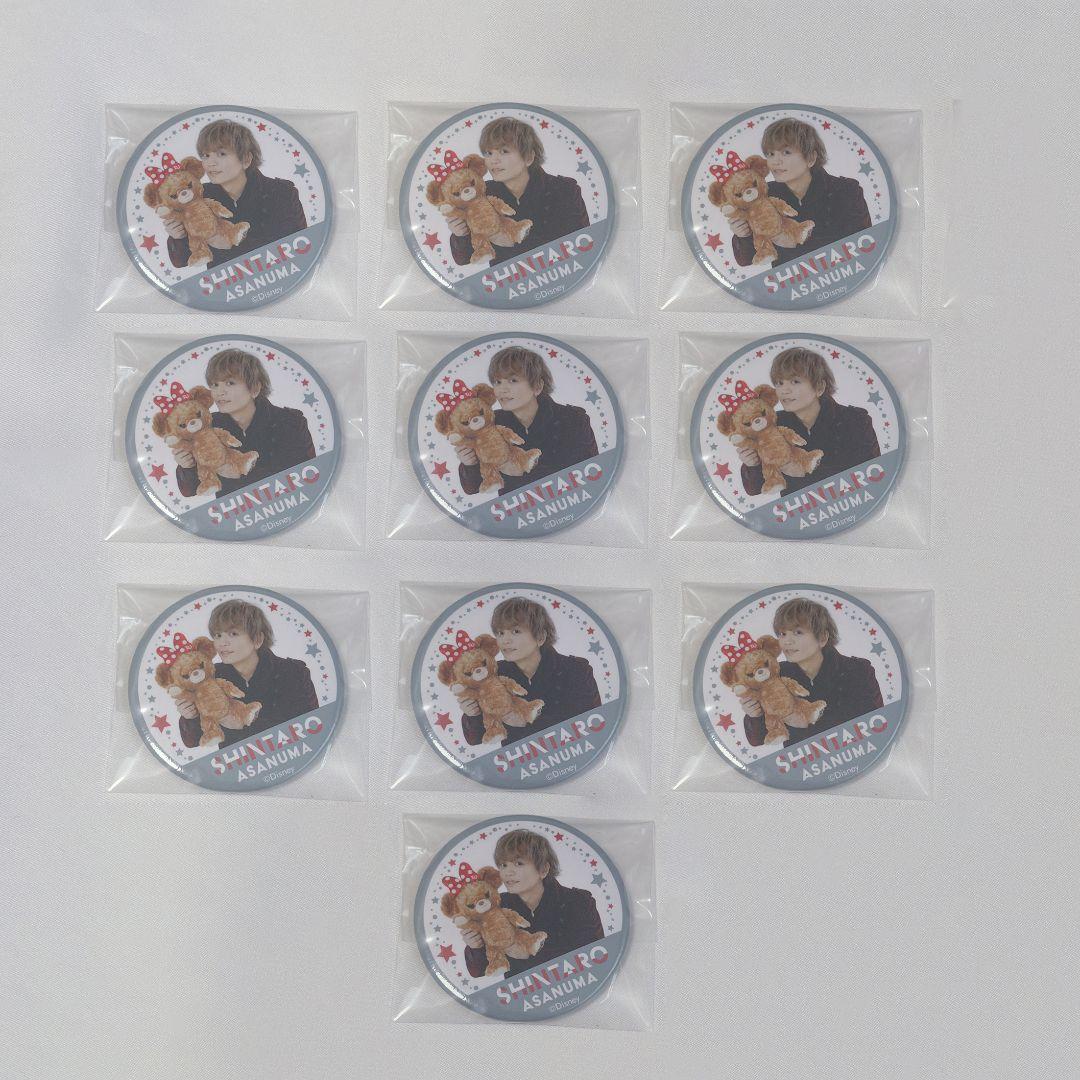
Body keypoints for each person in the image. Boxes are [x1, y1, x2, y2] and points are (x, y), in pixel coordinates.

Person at [452, 597, 601, 746]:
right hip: (518, 760)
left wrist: (527, 723)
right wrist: (472, 715)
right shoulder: (492, 674)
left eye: (515, 631)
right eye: (500, 633)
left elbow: (592, 723)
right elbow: (476, 739)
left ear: (540, 637)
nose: (505, 640)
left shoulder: (576, 669)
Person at [168, 348, 315, 498]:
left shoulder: (290, 422)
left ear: (255, 388)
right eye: (214, 384)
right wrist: (187, 466)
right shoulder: (206, 426)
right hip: (234, 512)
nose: (219, 392)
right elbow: (190, 491)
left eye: (230, 383)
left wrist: (237, 473)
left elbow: (310, 475)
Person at [451, 346, 598, 497]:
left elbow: (593, 473)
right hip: (515, 511)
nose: (502, 389)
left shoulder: (573, 419)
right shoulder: (489, 424)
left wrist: (519, 470)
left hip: (567, 503)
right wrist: (470, 464)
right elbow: (472, 488)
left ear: (537, 386)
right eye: (497, 382)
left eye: (513, 380)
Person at [442, 116, 589, 266]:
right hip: (507, 280)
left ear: (529, 157)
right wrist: (460, 235)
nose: (493, 160)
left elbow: (583, 244)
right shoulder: (481, 194)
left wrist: (510, 241)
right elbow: (464, 259)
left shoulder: (564, 189)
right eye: (488, 153)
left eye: (504, 151)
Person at [458, 830, 604, 979]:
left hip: (573, 986)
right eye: (503, 865)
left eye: (518, 863)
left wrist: (527, 952)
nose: (508, 872)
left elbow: (596, 955)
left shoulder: (578, 902)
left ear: (543, 869)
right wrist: (475, 947)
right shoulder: (495, 906)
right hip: (522, 993)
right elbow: (479, 971)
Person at [736, 346, 880, 498]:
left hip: (851, 504)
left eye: (795, 381)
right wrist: (752, 465)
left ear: (819, 387)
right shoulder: (771, 425)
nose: (784, 390)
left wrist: (805, 470)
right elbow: (754, 489)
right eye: (779, 383)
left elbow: (873, 472)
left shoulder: (855, 419)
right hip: (798, 512)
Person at [739, 599, 883, 748]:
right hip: (802, 761)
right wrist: (755, 716)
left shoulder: (858, 670)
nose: (787, 641)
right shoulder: (774, 676)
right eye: (782, 633)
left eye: (798, 632)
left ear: (822, 638)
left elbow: (878, 724)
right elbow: (757, 740)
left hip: (852, 754)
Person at [730, 117, 872, 269]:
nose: (775, 161)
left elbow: (864, 244)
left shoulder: (846, 190)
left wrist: (793, 241)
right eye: (770, 154)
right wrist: (743, 236)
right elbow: (746, 260)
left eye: (786, 152)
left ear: (810, 158)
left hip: (841, 274)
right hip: (789, 282)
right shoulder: (762, 195)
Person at [165, 119, 307, 270]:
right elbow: (182, 261)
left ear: (246, 159)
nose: (210, 163)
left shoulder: (281, 192)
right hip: (224, 284)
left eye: (221, 154)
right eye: (205, 155)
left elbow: (299, 247)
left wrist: (230, 244)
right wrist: (178, 237)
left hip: (277, 276)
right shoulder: (198, 197)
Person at [177, 599, 317, 749]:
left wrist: (240, 724)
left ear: (257, 639)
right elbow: (193, 741)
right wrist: (190, 717)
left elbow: (312, 725)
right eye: (217, 635)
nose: (222, 643)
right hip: (236, 763)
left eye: (233, 634)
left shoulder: (293, 671)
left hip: (289, 755)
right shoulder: (209, 677)